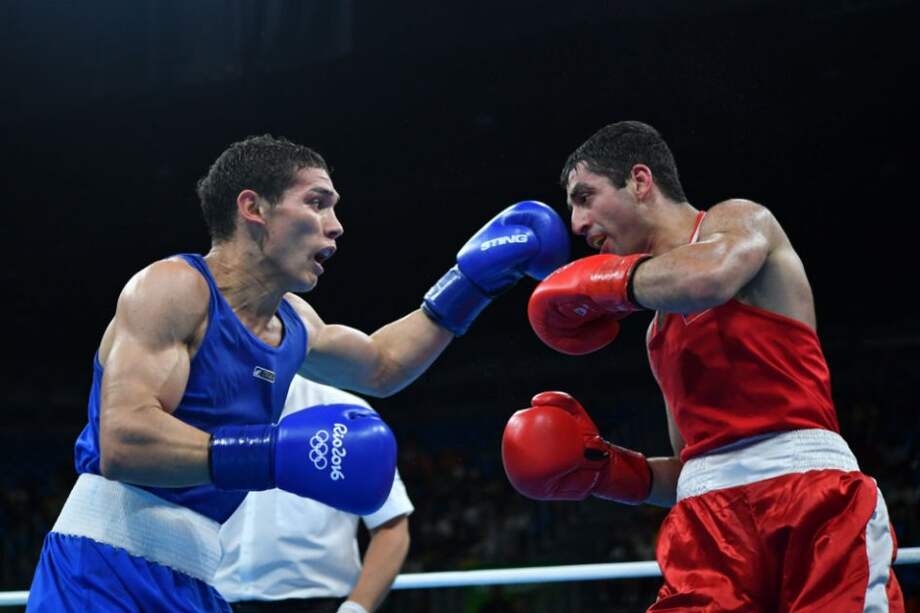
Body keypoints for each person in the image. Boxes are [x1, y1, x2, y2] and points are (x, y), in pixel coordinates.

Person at [26, 134, 569, 611]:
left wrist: (469, 282)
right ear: (253, 207)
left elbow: (382, 366)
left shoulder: (294, 325)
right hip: (97, 572)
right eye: (317, 203)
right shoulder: (173, 288)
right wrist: (276, 454)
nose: (335, 226)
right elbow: (123, 441)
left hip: (192, 579)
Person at [502, 121, 905, 611]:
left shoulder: (738, 221)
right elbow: (692, 469)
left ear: (640, 181)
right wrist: (604, 471)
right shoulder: (656, 332)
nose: (576, 224)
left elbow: (712, 276)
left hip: (811, 498)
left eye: (585, 197)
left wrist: (600, 282)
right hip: (708, 525)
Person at [215, 376, 413, 613]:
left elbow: (391, 527)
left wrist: (356, 608)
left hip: (318, 603)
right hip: (212, 600)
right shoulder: (203, 407)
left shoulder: (344, 411)